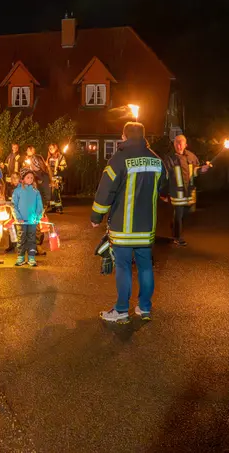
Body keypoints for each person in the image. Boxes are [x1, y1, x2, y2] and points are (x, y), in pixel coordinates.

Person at [90, 121, 167, 323]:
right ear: (143, 137)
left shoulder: (119, 159)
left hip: (123, 228)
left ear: (124, 137)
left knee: (123, 267)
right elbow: (164, 186)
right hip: (146, 227)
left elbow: (106, 190)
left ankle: (122, 310)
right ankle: (145, 308)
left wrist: (96, 216)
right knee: (145, 267)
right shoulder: (156, 160)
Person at [163, 134, 211, 246]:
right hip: (176, 193)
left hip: (188, 192)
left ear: (185, 144)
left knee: (186, 213)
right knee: (178, 215)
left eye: (181, 142)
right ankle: (177, 237)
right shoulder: (169, 158)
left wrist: (202, 169)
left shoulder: (192, 156)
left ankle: (174, 225)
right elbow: (165, 176)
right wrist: (164, 192)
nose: (178, 145)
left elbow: (195, 171)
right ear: (174, 144)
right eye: (176, 143)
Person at [13, 169, 43, 267]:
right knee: (21, 239)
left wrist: (37, 216)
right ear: (23, 179)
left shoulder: (36, 191)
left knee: (32, 239)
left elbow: (39, 206)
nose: (30, 179)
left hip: (32, 221)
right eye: (28, 177)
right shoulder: (17, 191)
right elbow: (14, 205)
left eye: (31, 178)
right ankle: (20, 257)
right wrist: (18, 217)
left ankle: (31, 257)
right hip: (21, 221)